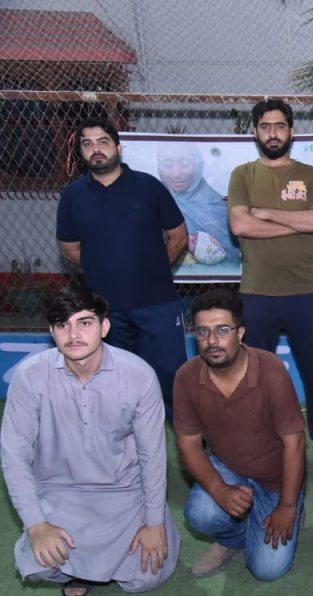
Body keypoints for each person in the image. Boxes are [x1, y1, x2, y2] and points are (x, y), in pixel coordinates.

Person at [0, 286, 180, 596]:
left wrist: (153, 523)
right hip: (60, 493)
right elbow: (14, 454)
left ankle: (125, 545)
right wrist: (37, 524)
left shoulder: (139, 375)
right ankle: (76, 564)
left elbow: (152, 455)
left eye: (84, 323)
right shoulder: (29, 376)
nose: (73, 334)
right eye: (62, 325)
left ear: (104, 327)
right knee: (40, 566)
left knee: (146, 578)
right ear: (51, 332)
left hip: (124, 494)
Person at [56, 117, 188, 419]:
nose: (96, 149)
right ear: (81, 152)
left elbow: (178, 236)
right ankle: (121, 453)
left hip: (157, 303)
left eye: (102, 142)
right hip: (106, 309)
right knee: (116, 386)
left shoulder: (148, 186)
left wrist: (150, 267)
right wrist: (107, 266)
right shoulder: (73, 196)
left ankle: (190, 444)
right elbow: (70, 247)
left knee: (172, 378)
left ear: (118, 146)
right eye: (87, 144)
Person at [227, 99, 313, 469]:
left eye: (280, 126)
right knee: (254, 376)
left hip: (306, 293)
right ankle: (262, 442)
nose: (273, 133)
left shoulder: (310, 174)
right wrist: (294, 220)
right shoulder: (243, 174)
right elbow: (240, 226)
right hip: (257, 294)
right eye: (266, 126)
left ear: (291, 131)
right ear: (255, 132)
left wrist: (267, 213)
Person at [173, 290, 306, 581]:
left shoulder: (270, 369)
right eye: (203, 332)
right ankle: (234, 539)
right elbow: (188, 443)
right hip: (230, 469)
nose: (212, 341)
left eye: (222, 330)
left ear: (241, 332)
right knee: (200, 514)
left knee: (267, 570)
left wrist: (287, 505)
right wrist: (220, 490)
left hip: (276, 479)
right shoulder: (186, 376)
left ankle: (294, 505)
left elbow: (294, 442)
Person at [156, 143, 238, 267]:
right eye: (167, 164)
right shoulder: (150, 196)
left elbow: (233, 261)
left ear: (198, 166)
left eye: (185, 164)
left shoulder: (218, 205)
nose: (176, 173)